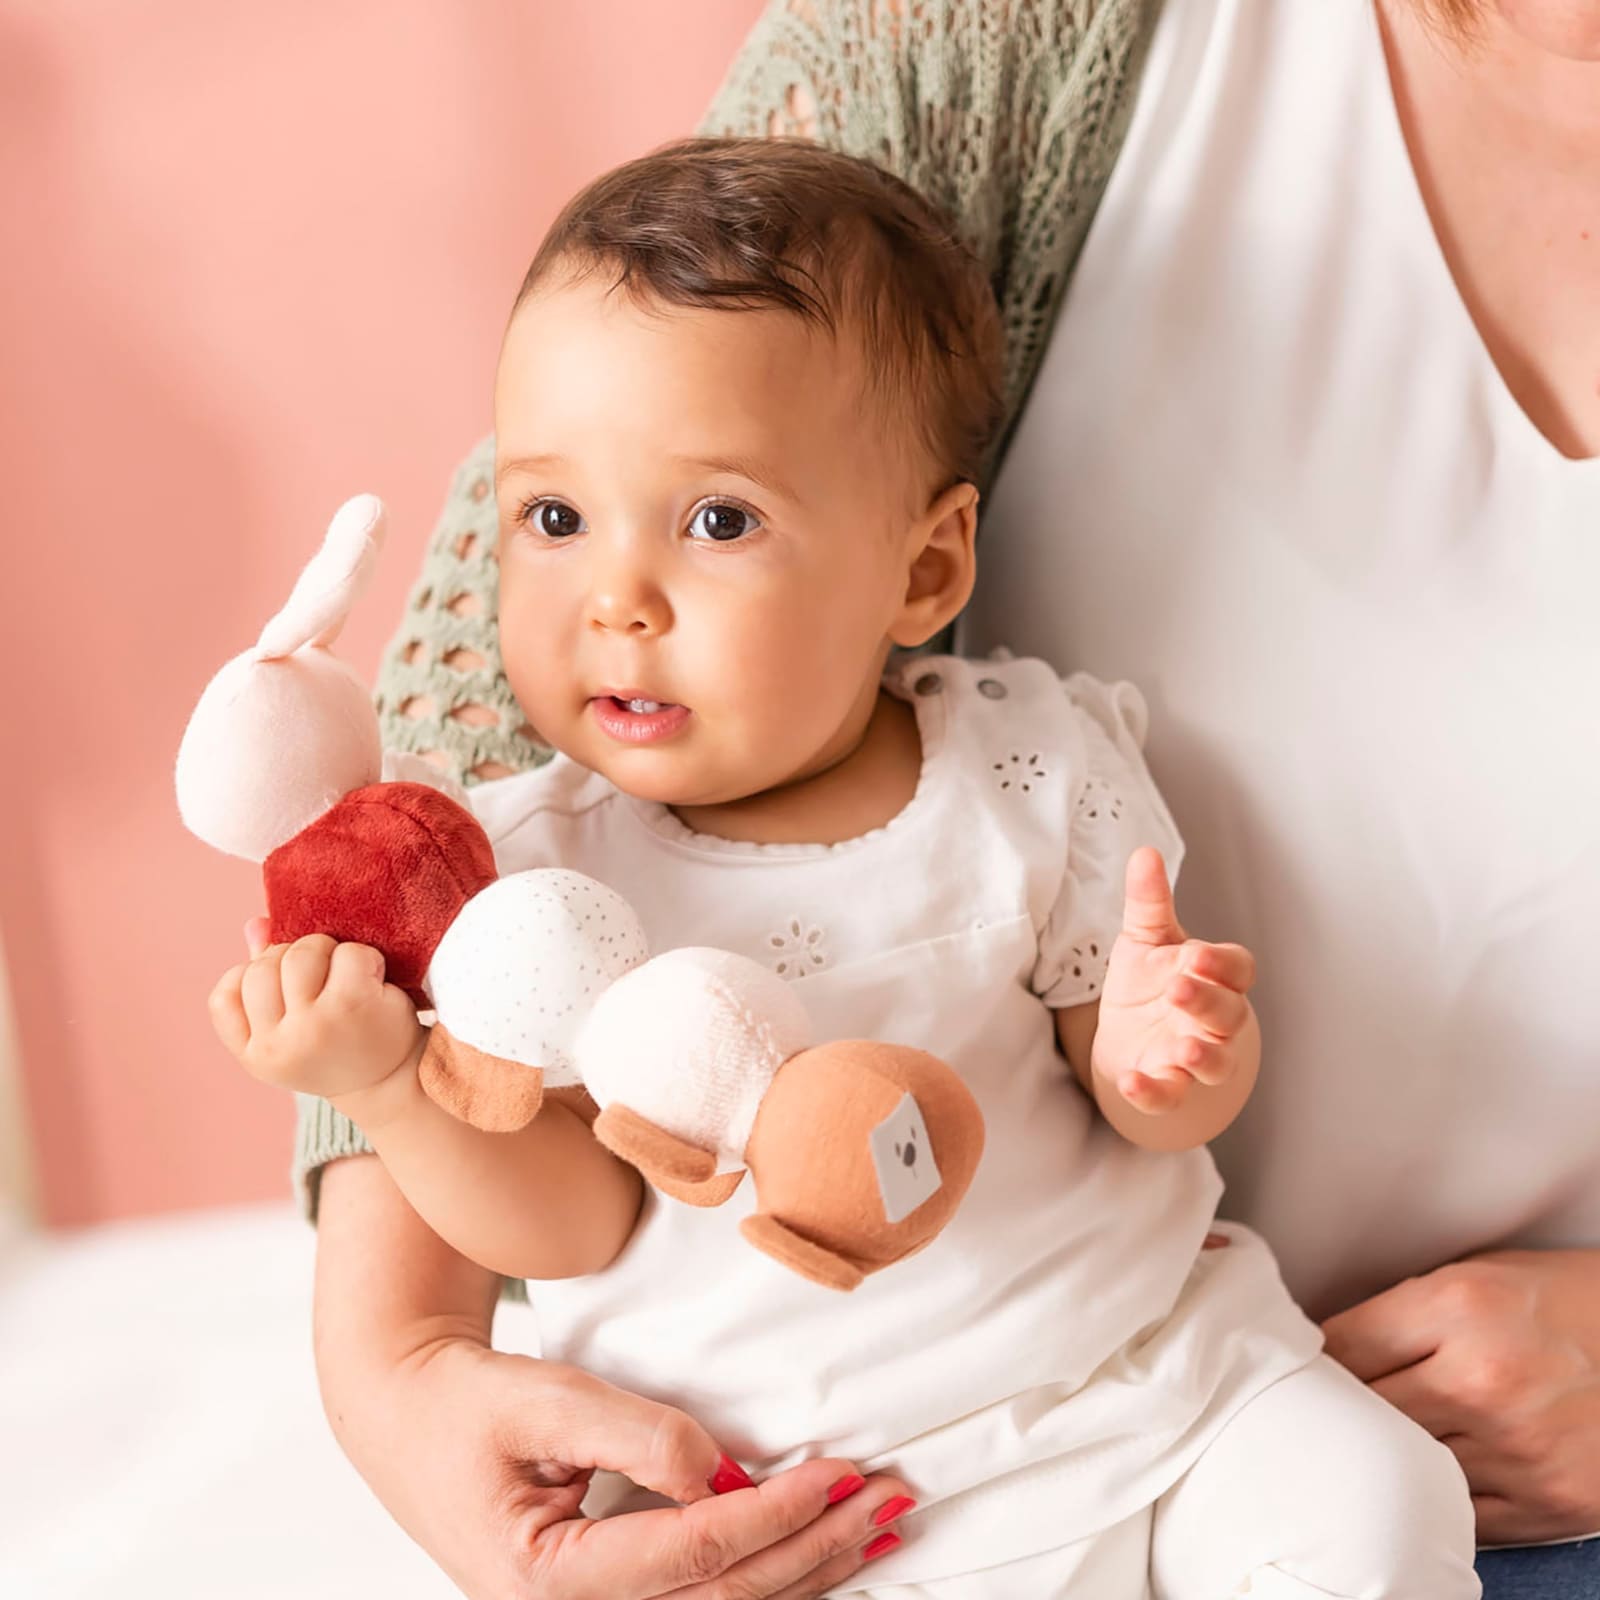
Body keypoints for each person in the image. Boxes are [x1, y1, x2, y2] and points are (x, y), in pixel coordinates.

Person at [287, 1, 1600, 1596]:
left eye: (714, 522)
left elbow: (1130, 1045)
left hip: (1184, 1390)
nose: (617, 600)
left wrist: (1166, 1043)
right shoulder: (536, 880)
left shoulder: (1025, 768)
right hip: (825, 1499)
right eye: (550, 518)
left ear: (930, 566)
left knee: (1368, 1512)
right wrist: (396, 1257)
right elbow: (543, 1176)